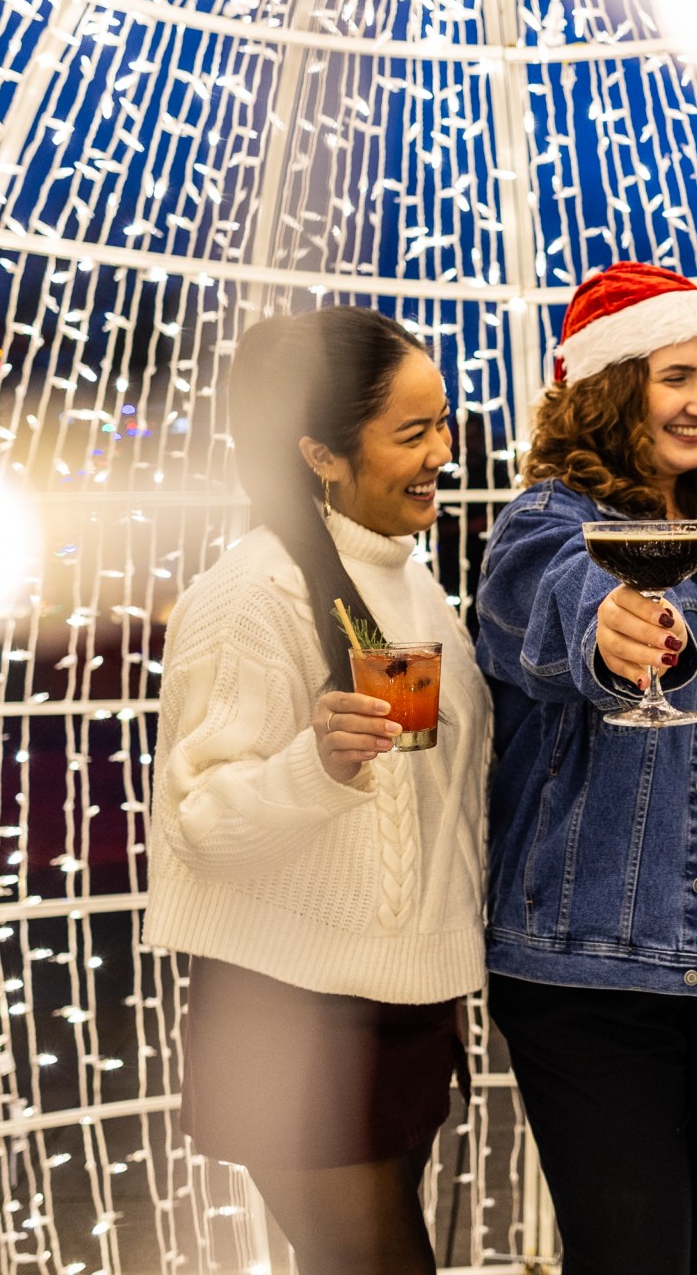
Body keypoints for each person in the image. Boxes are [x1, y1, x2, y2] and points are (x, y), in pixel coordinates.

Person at [475, 262, 697, 1275]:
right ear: (610, 389)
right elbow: (560, 609)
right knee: (632, 1249)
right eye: (676, 376)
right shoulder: (545, 523)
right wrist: (610, 632)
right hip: (599, 932)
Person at [146, 306, 491, 1275]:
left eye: (444, 422)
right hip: (293, 1016)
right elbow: (197, 820)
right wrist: (316, 767)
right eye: (412, 432)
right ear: (321, 453)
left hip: (403, 997)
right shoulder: (249, 595)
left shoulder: (409, 583)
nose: (443, 452)